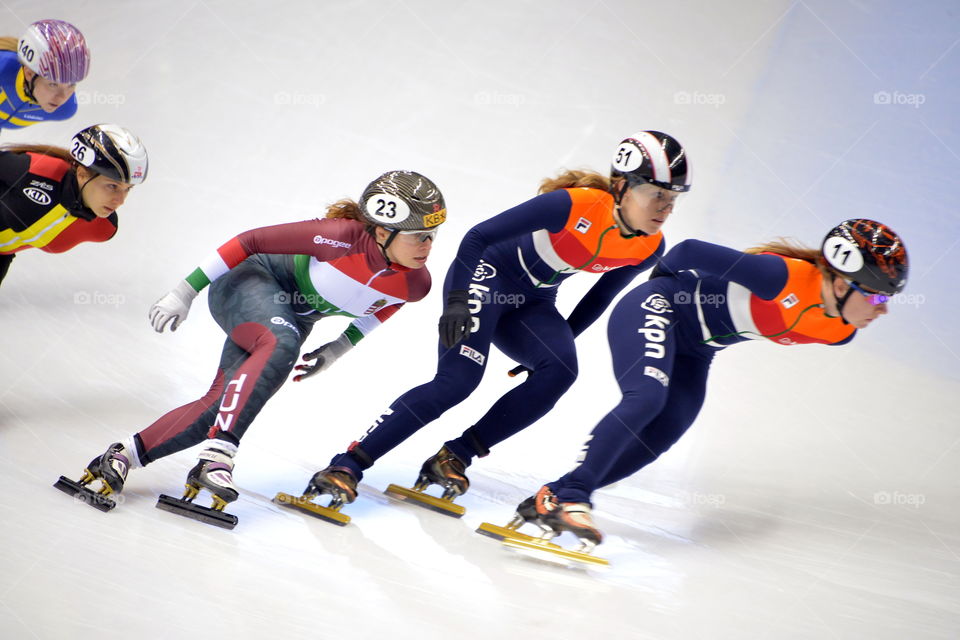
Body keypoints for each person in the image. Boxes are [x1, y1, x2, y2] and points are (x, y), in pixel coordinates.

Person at [298, 131, 693, 516]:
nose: (665, 207)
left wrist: (559, 342)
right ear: (622, 186)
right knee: (458, 381)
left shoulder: (649, 245)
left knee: (560, 372)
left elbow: (601, 297)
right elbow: (477, 238)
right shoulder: (573, 205)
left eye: (673, 199)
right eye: (656, 193)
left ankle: (455, 455)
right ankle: (347, 464)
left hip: (535, 301)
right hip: (487, 278)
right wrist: (455, 302)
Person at [58, 171, 447, 525]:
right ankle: (219, 456)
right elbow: (250, 240)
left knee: (222, 403)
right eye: (418, 236)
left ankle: (123, 455)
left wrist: (339, 348)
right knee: (281, 343)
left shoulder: (416, 283)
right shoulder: (339, 236)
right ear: (382, 233)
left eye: (432, 235)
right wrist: (184, 291)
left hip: (288, 319)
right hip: (249, 281)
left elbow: (386, 307)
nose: (427, 246)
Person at [504, 218, 908, 555]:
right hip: (657, 308)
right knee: (646, 398)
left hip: (697, 350)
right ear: (840, 284)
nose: (884, 309)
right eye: (876, 297)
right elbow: (688, 251)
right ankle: (575, 497)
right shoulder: (778, 276)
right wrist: (660, 293)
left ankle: (555, 495)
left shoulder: (840, 332)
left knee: (664, 432)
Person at [0, 123, 147, 286]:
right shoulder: (36, 170)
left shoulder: (105, 227)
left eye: (128, 189)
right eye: (112, 186)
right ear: (82, 174)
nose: (120, 201)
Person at [0, 20, 90, 131]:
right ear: (29, 73)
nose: (62, 97)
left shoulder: (65, 109)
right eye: (53, 84)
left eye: (71, 85)